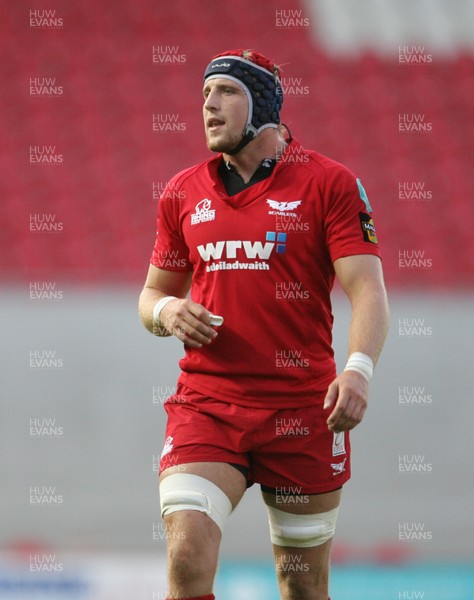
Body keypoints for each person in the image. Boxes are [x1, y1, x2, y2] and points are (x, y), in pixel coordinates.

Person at [138, 48, 389, 600]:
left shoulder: (330, 183)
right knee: (186, 560)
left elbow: (367, 290)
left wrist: (358, 371)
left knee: (301, 587)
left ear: (264, 105)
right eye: (204, 94)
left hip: (304, 410)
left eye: (225, 91)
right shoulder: (182, 192)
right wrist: (167, 311)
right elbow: (151, 295)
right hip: (208, 406)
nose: (209, 105)